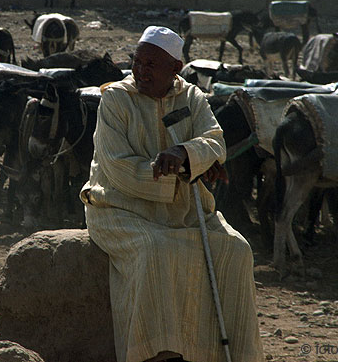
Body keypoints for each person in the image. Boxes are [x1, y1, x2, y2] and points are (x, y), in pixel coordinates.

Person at [80, 26, 264, 362]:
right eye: (137, 62)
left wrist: (184, 153)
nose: (141, 70)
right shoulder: (116, 98)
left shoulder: (191, 97)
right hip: (120, 206)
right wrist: (186, 170)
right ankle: (157, 354)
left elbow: (215, 141)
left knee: (237, 250)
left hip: (184, 209)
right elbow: (117, 166)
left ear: (175, 69)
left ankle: (227, 353)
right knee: (155, 249)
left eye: (151, 64)